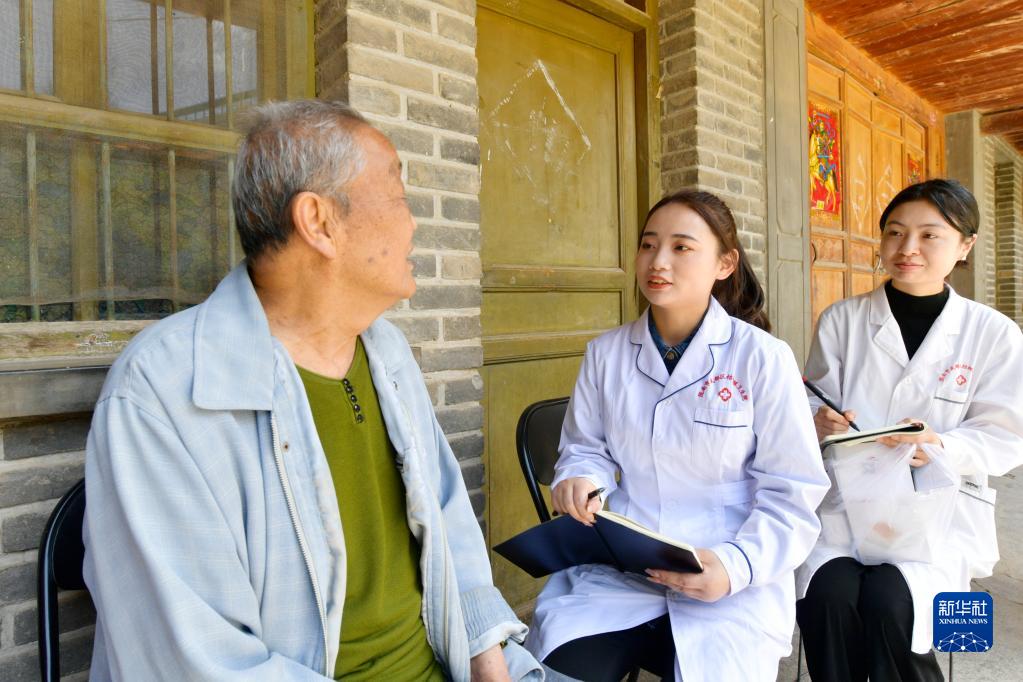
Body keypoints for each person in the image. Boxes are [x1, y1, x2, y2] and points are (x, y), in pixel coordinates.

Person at [82, 100, 541, 681]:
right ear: (319, 222)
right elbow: (196, 663)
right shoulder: (161, 392)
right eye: (398, 197)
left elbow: (450, 524)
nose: (413, 224)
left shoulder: (386, 352)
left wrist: (488, 660)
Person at [524, 190, 830, 681]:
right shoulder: (605, 353)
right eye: (648, 245)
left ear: (725, 264)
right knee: (559, 669)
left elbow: (793, 492)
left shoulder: (763, 358)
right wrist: (580, 477)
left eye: (681, 247)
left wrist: (735, 567)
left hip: (726, 572)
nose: (658, 261)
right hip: (623, 570)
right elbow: (585, 448)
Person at [796, 178, 1023, 681]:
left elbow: (1007, 436)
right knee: (827, 595)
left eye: (929, 235)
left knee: (891, 604)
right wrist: (817, 419)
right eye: (895, 233)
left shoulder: (994, 334)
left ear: (965, 246)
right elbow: (814, 399)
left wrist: (940, 445)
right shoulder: (842, 320)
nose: (907, 248)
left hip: (938, 516)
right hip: (848, 507)